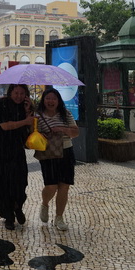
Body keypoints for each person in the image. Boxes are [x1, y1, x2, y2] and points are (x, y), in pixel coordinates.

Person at [0, 84, 35, 230]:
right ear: (10, 92)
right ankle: (8, 215)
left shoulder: (25, 107)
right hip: (1, 148)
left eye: (22, 93)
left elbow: (29, 129)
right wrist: (25, 121)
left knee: (20, 180)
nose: (19, 96)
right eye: (16, 93)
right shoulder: (2, 104)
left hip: (16, 147)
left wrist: (28, 112)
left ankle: (17, 206)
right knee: (3, 180)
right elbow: (5, 126)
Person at [36, 87, 80, 231]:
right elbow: (33, 133)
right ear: (43, 100)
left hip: (66, 151)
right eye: (48, 98)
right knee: (51, 186)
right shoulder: (38, 116)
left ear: (58, 101)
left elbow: (75, 132)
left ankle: (59, 217)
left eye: (54, 98)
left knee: (64, 186)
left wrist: (62, 129)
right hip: (48, 154)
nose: (51, 101)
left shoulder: (65, 114)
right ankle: (45, 203)